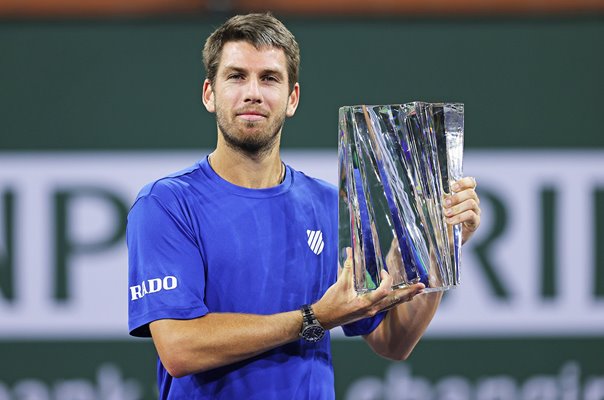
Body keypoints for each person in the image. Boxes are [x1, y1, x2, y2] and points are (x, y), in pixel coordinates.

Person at [127, 12, 481, 400]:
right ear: (209, 93)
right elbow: (179, 348)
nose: (253, 93)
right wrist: (314, 319)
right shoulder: (166, 204)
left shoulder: (330, 204)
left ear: (292, 98)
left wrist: (440, 248)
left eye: (269, 78)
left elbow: (392, 341)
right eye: (236, 76)